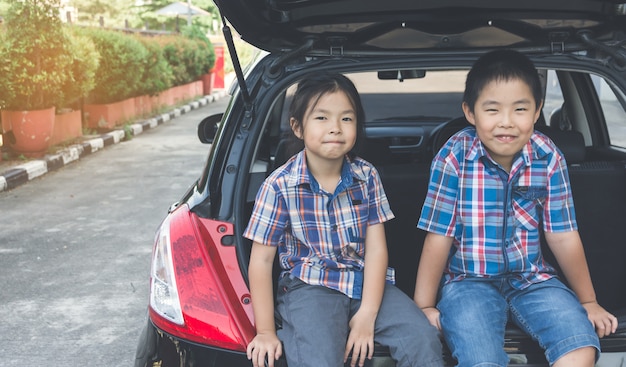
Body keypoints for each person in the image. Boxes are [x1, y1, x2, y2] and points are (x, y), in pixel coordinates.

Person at [414, 49, 618, 367]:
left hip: (533, 279)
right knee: (480, 358)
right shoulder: (454, 156)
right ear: (470, 112)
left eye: (520, 109)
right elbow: (438, 236)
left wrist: (588, 300)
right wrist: (423, 306)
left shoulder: (547, 156)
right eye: (492, 110)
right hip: (469, 282)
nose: (506, 122)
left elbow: (562, 234)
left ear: (537, 111)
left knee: (580, 348)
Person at [244, 73, 443, 367]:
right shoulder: (279, 186)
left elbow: (376, 250)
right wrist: (265, 331)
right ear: (298, 127)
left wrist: (367, 314)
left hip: (366, 281)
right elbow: (261, 262)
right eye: (321, 118)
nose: (335, 128)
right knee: (319, 359)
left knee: (422, 339)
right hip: (309, 286)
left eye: (346, 119)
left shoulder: (366, 176)